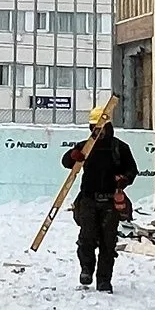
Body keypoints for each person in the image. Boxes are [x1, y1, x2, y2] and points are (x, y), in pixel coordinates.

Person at [63, 99, 138, 292]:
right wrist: (73, 156)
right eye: (94, 128)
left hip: (110, 202)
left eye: (101, 128)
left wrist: (123, 180)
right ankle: (86, 269)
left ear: (108, 127)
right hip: (88, 199)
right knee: (86, 238)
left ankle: (104, 279)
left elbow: (132, 170)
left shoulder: (119, 148)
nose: (98, 132)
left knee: (108, 242)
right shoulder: (84, 147)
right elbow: (66, 162)